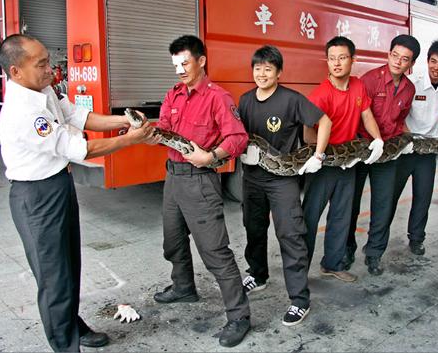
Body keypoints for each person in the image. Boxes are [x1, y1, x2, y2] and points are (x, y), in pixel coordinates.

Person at [0, 34, 155, 352]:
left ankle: (74, 327)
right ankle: (65, 345)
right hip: (36, 198)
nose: (50, 69)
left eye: (48, 60)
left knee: (69, 267)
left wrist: (125, 120)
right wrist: (131, 139)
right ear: (15, 71)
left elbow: (78, 118)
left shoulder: (43, 89)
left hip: (58, 186)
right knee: (54, 277)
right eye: (41, 64)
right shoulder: (23, 112)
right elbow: (79, 147)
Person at [151, 35, 251, 348]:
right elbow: (165, 127)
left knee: (215, 252)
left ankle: (239, 316)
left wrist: (212, 157)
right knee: (173, 240)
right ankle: (183, 287)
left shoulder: (218, 97)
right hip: (173, 179)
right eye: (175, 65)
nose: (180, 69)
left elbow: (238, 138)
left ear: (201, 60)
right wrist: (149, 132)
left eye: (185, 63)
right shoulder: (173, 94)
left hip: (200, 180)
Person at [238, 45, 332, 326]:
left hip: (283, 180)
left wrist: (318, 154)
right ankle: (258, 275)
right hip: (252, 177)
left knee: (290, 235)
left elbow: (324, 121)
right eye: (257, 68)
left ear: (279, 72)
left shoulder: (291, 99)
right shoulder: (244, 100)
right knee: (253, 228)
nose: (262, 74)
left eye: (268, 68)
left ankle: (299, 300)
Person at [303, 36, 383, 283]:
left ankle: (333, 264)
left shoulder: (358, 86)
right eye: (332, 58)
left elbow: (366, 115)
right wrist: (320, 154)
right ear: (326, 61)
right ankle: (299, 270)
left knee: (342, 215)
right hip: (324, 164)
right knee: (309, 217)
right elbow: (307, 134)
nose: (336, 63)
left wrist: (377, 139)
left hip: (348, 163)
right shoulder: (320, 94)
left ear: (353, 60)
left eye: (342, 58)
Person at [347, 34, 420, 275]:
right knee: (351, 204)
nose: (398, 62)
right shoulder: (369, 81)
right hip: (362, 149)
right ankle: (347, 250)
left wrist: (406, 140)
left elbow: (400, 121)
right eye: (395, 55)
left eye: (405, 59)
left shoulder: (409, 89)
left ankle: (374, 253)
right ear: (388, 55)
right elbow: (356, 115)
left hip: (387, 153)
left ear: (411, 64)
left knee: (384, 205)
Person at [393, 40, 438, 256]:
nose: (436, 67)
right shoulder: (412, 82)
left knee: (423, 197)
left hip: (428, 151)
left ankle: (416, 238)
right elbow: (399, 116)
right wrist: (407, 138)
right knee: (390, 197)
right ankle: (378, 239)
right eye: (433, 61)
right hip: (406, 149)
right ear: (427, 60)